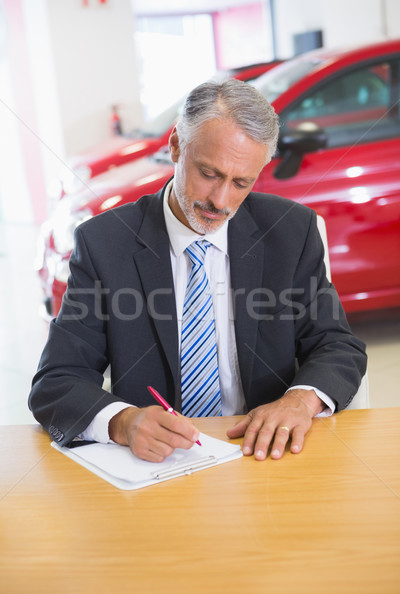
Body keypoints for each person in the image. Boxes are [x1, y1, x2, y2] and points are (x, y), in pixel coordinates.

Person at [29, 79, 367, 463]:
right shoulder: (105, 243)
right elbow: (57, 381)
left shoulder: (291, 232)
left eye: (241, 182)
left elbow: (338, 346)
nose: (220, 201)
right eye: (209, 173)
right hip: (159, 464)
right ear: (175, 146)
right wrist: (123, 422)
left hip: (262, 454)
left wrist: (299, 401)